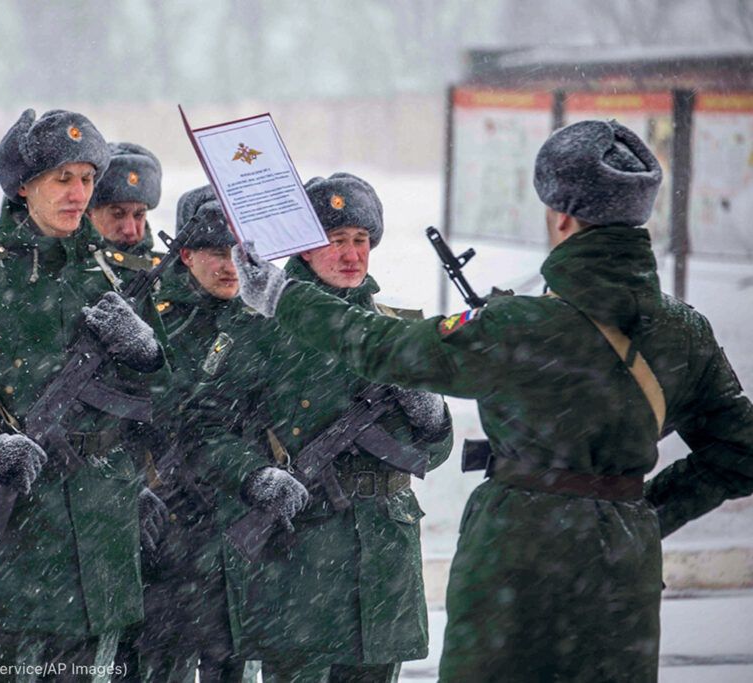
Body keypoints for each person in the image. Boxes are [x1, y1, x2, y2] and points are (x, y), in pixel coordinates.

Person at [230, 120, 753, 682]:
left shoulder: (520, 327)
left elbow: (384, 347)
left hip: (515, 562)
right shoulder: (685, 332)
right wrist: (643, 512)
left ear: (562, 215)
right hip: (623, 570)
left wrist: (285, 299)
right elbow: (740, 452)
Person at [0, 109, 168, 680]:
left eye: (87, 179)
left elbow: (165, 408)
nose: (78, 193)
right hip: (14, 538)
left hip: (102, 534)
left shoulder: (117, 279)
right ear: (24, 187)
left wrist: (148, 356)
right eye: (61, 179)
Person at [188, 173, 453, 682]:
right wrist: (255, 477)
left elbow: (434, 453)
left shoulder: (397, 327)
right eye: (336, 241)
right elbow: (202, 428)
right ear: (305, 251)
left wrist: (431, 416)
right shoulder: (259, 327)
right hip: (302, 553)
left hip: (383, 558)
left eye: (361, 241)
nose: (352, 255)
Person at [120, 185, 251, 682]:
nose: (229, 266)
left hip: (240, 528)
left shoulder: (263, 324)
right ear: (186, 255)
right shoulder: (156, 320)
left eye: (239, 254)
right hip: (169, 530)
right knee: (158, 663)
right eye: (217, 254)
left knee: (234, 664)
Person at [87, 141, 164, 271]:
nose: (130, 230)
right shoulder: (68, 271)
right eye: (118, 214)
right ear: (89, 213)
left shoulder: (169, 271)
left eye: (139, 215)